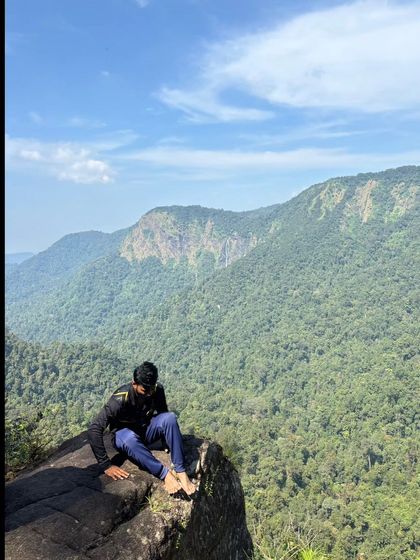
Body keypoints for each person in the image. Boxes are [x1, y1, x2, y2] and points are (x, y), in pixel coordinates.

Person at [88, 361, 196, 496]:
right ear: (134, 383)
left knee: (170, 417)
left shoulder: (157, 390)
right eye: (145, 390)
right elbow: (94, 428)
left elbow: (163, 413)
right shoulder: (120, 399)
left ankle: (180, 470)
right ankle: (165, 474)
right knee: (129, 439)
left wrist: (165, 441)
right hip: (123, 436)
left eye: (152, 388)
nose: (149, 393)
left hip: (145, 430)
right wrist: (106, 465)